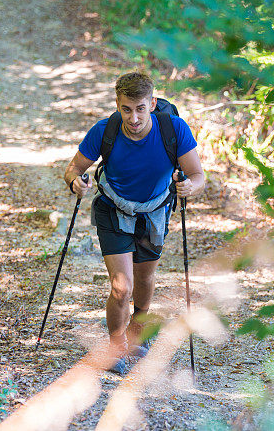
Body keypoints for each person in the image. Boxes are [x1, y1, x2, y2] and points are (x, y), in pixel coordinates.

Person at [63, 72, 205, 373]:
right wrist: (76, 182)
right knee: (122, 287)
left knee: (144, 281)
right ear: (117, 105)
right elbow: (72, 169)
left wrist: (190, 188)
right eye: (126, 109)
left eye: (140, 108)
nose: (134, 117)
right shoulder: (105, 131)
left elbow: (198, 176)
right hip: (113, 210)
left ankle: (136, 333)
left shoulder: (173, 129)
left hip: (154, 213)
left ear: (152, 103)